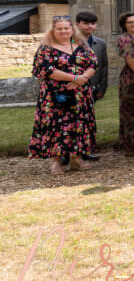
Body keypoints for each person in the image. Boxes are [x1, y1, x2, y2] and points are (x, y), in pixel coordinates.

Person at [28, 16, 98, 174]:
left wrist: (83, 78)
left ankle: (76, 159)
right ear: (53, 30)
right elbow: (46, 70)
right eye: (59, 28)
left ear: (72, 30)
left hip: (80, 94)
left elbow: (93, 63)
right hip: (55, 96)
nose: (63, 31)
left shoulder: (82, 47)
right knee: (56, 126)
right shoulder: (46, 49)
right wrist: (74, 78)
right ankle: (56, 162)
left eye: (66, 28)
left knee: (79, 124)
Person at [74, 10, 106, 161]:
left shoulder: (100, 43)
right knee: (72, 121)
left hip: (92, 88)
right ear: (77, 24)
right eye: (85, 23)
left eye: (92, 23)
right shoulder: (70, 42)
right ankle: (70, 153)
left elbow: (103, 66)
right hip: (74, 87)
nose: (89, 26)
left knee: (88, 121)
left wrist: (102, 87)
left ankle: (87, 149)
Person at [115, 12, 134, 155]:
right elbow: (131, 60)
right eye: (130, 22)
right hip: (132, 80)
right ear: (124, 25)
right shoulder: (125, 38)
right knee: (130, 113)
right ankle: (130, 147)